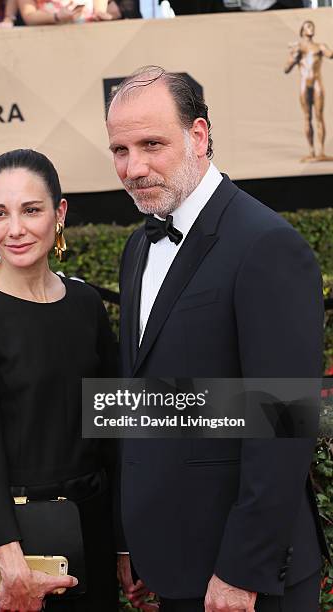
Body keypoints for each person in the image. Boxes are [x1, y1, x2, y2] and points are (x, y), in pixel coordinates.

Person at [106, 66, 328, 612]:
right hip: (171, 562)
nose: (134, 167)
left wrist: (241, 571)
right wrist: (129, 535)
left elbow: (283, 422)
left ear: (198, 135)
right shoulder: (137, 250)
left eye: (151, 144)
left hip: (246, 580)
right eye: (120, 150)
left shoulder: (267, 244)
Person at [0, 149, 118, 611]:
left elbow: (113, 431)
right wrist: (9, 555)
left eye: (31, 210)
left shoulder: (85, 305)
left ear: (59, 214)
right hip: (14, 550)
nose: (14, 229)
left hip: (91, 532)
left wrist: (122, 542)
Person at [284, 20, 333, 162]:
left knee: (319, 116)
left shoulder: (320, 46)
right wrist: (294, 55)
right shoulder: (298, 48)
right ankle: (311, 151)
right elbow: (286, 69)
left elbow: (330, 54)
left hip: (317, 83)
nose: (311, 27)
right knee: (307, 117)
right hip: (305, 84)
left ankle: (321, 151)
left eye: (312, 25)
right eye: (308, 26)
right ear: (302, 30)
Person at [18, 0, 113, 27]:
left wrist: (99, 13)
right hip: (48, 44)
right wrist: (56, 17)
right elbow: (29, 16)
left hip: (90, 37)